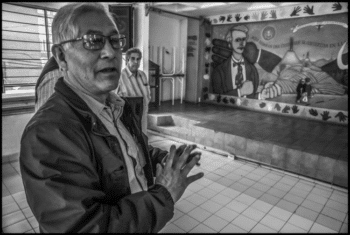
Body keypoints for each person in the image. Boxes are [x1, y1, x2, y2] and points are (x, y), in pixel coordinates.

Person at [19, 3, 203, 233]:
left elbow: (125, 152)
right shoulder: (48, 133)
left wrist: (162, 159)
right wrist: (164, 194)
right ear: (61, 57)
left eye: (115, 41)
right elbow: (87, 227)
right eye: (93, 41)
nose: (110, 52)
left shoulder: (116, 106)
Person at [211, 25, 259, 98]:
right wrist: (240, 92)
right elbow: (217, 97)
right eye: (237, 40)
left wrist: (261, 96)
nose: (241, 43)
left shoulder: (253, 70)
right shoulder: (219, 71)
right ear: (230, 41)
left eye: (243, 39)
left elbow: (252, 96)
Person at [117, 47, 151, 133]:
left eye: (138, 59)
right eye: (133, 59)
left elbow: (147, 94)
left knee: (143, 138)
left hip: (143, 116)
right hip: (128, 119)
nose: (136, 62)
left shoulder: (143, 75)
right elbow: (113, 100)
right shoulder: (120, 77)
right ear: (127, 60)